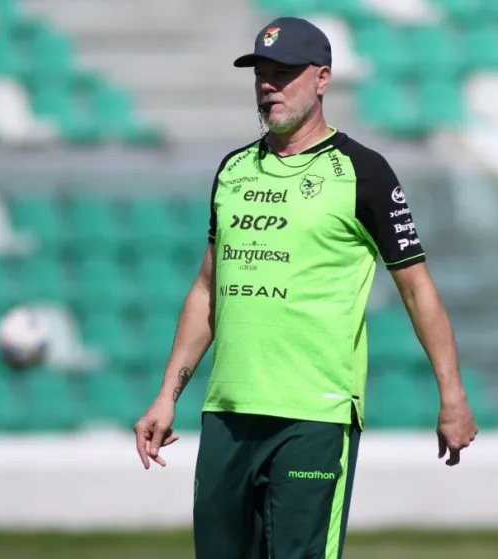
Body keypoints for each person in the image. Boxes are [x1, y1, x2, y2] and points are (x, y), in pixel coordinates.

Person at [134, 16, 479, 559]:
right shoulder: (233, 171)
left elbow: (417, 290)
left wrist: (452, 396)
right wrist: (166, 396)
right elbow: (207, 290)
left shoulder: (364, 172)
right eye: (261, 74)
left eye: (284, 73)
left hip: (315, 418)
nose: (268, 85)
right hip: (227, 416)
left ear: (322, 79)